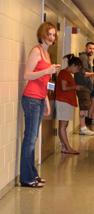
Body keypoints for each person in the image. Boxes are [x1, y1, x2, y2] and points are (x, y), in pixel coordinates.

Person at [20, 22, 61, 188]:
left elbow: (45, 81)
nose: (51, 38)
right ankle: (26, 178)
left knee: (33, 138)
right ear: (42, 34)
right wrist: (47, 70)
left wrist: (46, 101)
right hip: (30, 98)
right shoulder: (36, 51)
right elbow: (27, 75)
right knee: (30, 139)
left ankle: (32, 174)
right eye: (49, 34)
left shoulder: (47, 54)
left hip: (39, 98)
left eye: (53, 35)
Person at [55, 54, 83, 154]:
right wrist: (75, 87)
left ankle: (64, 146)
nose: (78, 71)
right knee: (63, 125)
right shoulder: (64, 73)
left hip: (66, 101)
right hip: (64, 101)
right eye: (78, 68)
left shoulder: (67, 74)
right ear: (73, 66)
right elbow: (64, 88)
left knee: (63, 125)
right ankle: (67, 147)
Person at [74, 42, 94, 135]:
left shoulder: (87, 58)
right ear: (86, 48)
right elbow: (82, 73)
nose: (91, 50)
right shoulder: (84, 58)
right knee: (83, 107)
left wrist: (91, 79)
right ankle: (82, 127)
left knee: (85, 107)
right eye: (90, 48)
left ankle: (83, 127)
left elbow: (86, 74)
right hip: (83, 87)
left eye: (93, 49)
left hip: (86, 86)